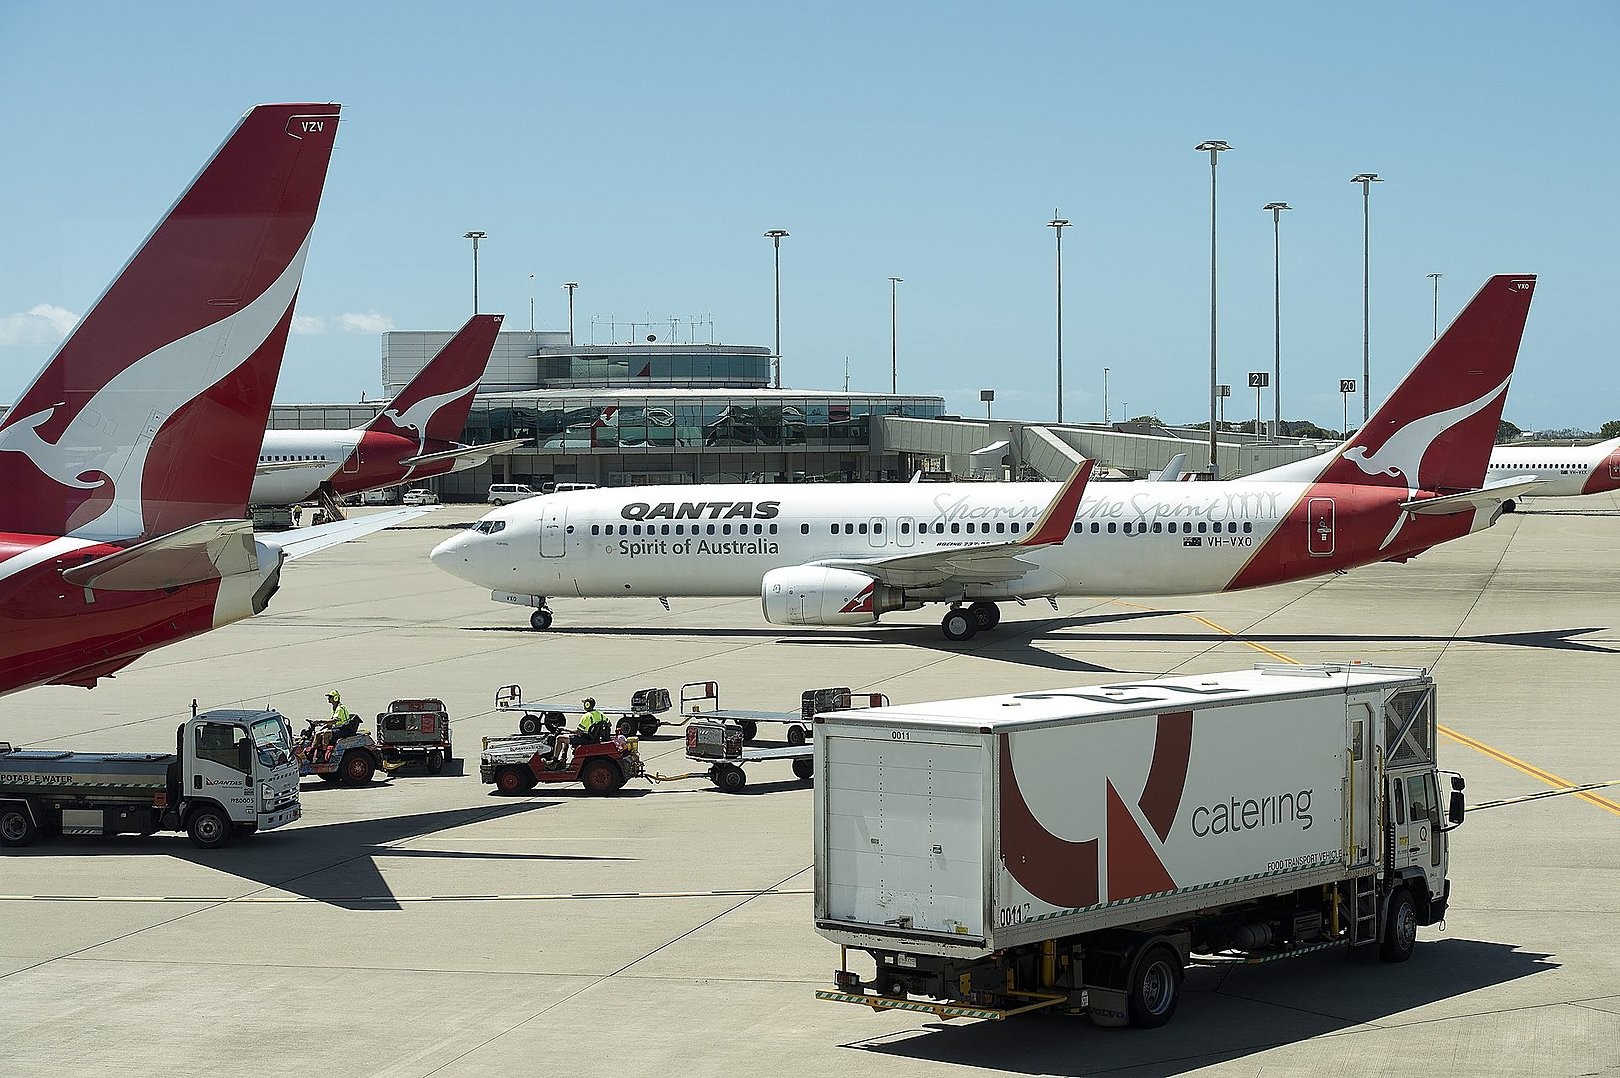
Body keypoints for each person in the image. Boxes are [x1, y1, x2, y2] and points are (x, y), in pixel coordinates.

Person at [314, 689, 358, 761]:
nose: (328, 698)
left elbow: (333, 721)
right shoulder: (334, 708)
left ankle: (323, 756)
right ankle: (312, 752)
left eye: (330, 697)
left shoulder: (340, 708)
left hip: (344, 729)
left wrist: (320, 721)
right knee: (318, 734)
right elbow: (331, 722)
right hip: (338, 728)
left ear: (335, 698)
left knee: (326, 734)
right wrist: (322, 727)